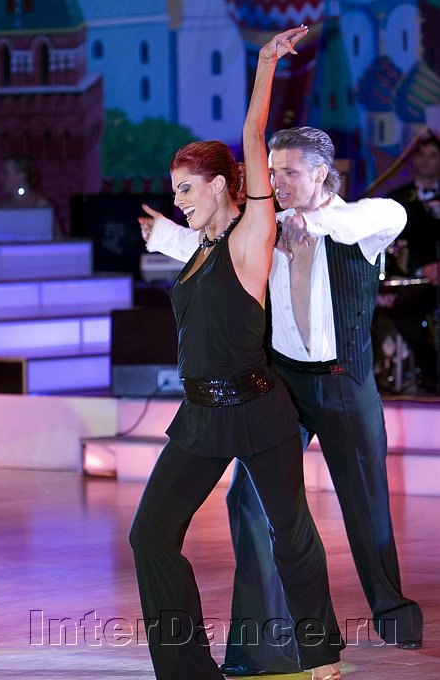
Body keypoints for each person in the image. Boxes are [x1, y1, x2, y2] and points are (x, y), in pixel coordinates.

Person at [139, 127, 424, 675]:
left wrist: (310, 223)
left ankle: (393, 616)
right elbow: (216, 251)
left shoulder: (358, 224)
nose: (276, 181)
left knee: (366, 508)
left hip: (343, 384)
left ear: (320, 173)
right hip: (282, 388)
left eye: (288, 172)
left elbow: (393, 215)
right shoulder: (263, 227)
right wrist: (164, 235)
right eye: (270, 172)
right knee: (249, 505)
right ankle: (261, 644)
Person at [129, 26, 345, 680]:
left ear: (222, 186)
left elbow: (251, 135)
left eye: (186, 189)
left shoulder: (253, 236)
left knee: (290, 533)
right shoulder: (198, 249)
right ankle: (187, 671)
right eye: (175, 192)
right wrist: (164, 231)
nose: (178, 202)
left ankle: (321, 657)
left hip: (257, 410)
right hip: (200, 416)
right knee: (149, 536)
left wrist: (264, 63)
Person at [385, 133, 440, 392]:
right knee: (404, 308)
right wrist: (421, 268)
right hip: (416, 279)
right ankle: (428, 371)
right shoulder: (397, 200)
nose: (427, 161)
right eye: (422, 155)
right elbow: (393, 244)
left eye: (433, 156)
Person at [0, 156, 62, 238]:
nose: (0, 178)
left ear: (21, 176)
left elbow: (58, 239)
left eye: (5, 173)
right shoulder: (0, 206)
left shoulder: (40, 205)